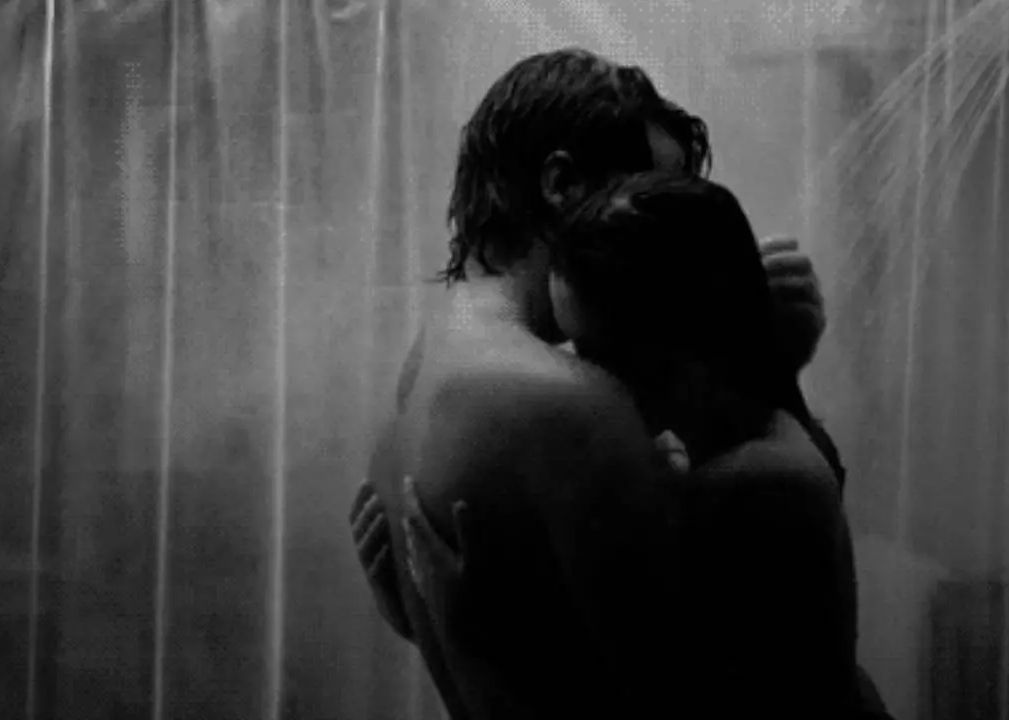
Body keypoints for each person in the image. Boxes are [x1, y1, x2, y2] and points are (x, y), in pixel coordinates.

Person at [348, 47, 872, 718]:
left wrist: (433, 621)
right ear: (561, 184)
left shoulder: (421, 380)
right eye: (647, 193)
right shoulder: (569, 402)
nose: (676, 232)